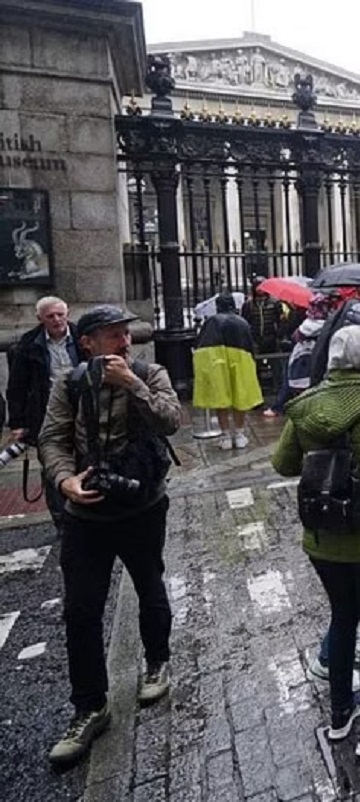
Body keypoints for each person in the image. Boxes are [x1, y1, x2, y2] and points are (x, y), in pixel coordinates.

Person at [38, 306, 182, 767]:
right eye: (114, 335)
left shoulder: (149, 373)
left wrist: (132, 384)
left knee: (149, 585)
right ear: (88, 343)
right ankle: (90, 706)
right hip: (86, 514)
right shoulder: (69, 383)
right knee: (80, 610)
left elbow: (170, 420)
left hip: (142, 505)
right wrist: (65, 480)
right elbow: (52, 439)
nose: (125, 342)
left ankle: (157, 661)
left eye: (126, 334)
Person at [272, 325, 360, 759]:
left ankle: (339, 715)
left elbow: (283, 464)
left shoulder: (307, 405)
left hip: (324, 533)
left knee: (342, 617)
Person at [5, 296, 81, 529]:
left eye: (60, 314)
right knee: (53, 468)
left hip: (82, 411)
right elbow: (16, 387)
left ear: (67, 314)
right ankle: (63, 522)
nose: (57, 320)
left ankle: (84, 513)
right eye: (50, 316)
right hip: (46, 415)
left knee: (83, 462)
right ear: (40, 318)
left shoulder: (83, 337)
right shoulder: (28, 345)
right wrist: (17, 423)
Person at [193, 294, 264, 450]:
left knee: (221, 398)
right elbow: (250, 345)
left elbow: (200, 343)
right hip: (240, 360)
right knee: (241, 397)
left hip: (216, 360)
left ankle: (225, 436)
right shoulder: (241, 322)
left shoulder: (212, 321)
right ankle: (239, 434)